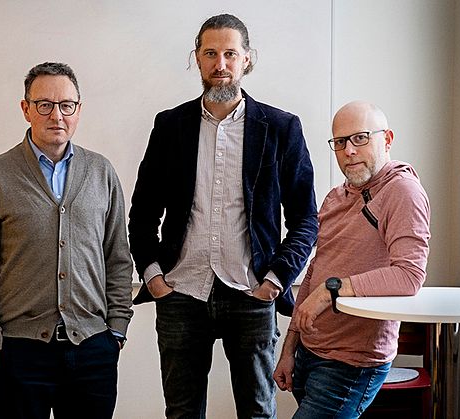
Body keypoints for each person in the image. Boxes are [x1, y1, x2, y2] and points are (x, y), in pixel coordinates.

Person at [128, 14, 318, 419]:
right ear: (196, 58)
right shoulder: (170, 125)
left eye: (230, 54)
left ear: (247, 60)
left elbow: (305, 218)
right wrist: (154, 276)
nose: (220, 64)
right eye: (210, 53)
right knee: (181, 412)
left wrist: (276, 279)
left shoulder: (282, 128)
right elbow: (142, 213)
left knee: (258, 412)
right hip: (182, 293)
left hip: (252, 292)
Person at [0, 62, 134, 419]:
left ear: (78, 110)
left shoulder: (101, 172)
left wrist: (116, 331)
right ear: (26, 109)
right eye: (45, 105)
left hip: (93, 349)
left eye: (66, 105)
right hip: (21, 353)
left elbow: (118, 259)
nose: (57, 115)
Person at [273, 101, 431, 417]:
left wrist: (331, 290)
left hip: (351, 363)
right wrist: (289, 348)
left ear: (386, 139)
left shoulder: (402, 191)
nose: (349, 151)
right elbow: (317, 269)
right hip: (309, 352)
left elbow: (409, 276)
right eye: (340, 142)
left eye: (360, 138)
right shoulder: (336, 196)